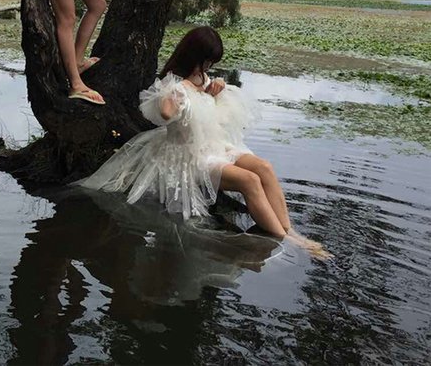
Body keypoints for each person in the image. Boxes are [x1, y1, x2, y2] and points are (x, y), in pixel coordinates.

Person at [75, 26, 329, 258]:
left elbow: (216, 105)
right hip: (190, 156)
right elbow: (164, 113)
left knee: (264, 167)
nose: (208, 66)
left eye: (211, 62)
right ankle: (283, 239)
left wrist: (217, 87)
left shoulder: (204, 80)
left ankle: (289, 230)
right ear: (193, 56)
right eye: (206, 60)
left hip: (215, 146)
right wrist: (175, 95)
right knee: (249, 181)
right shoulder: (174, 84)